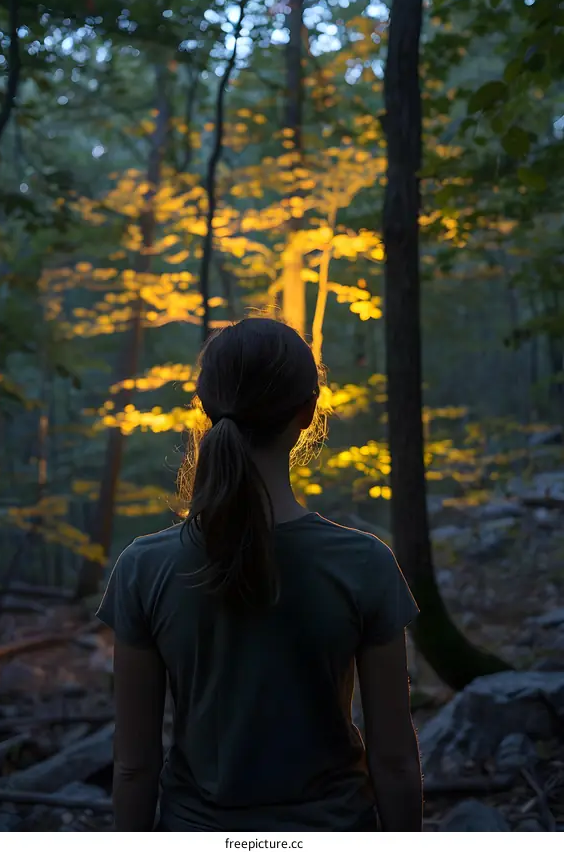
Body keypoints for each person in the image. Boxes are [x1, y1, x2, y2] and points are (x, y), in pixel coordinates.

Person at [97, 317, 422, 832]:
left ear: (204, 408)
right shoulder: (364, 563)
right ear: (308, 412)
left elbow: (136, 767)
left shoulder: (144, 567)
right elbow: (396, 760)